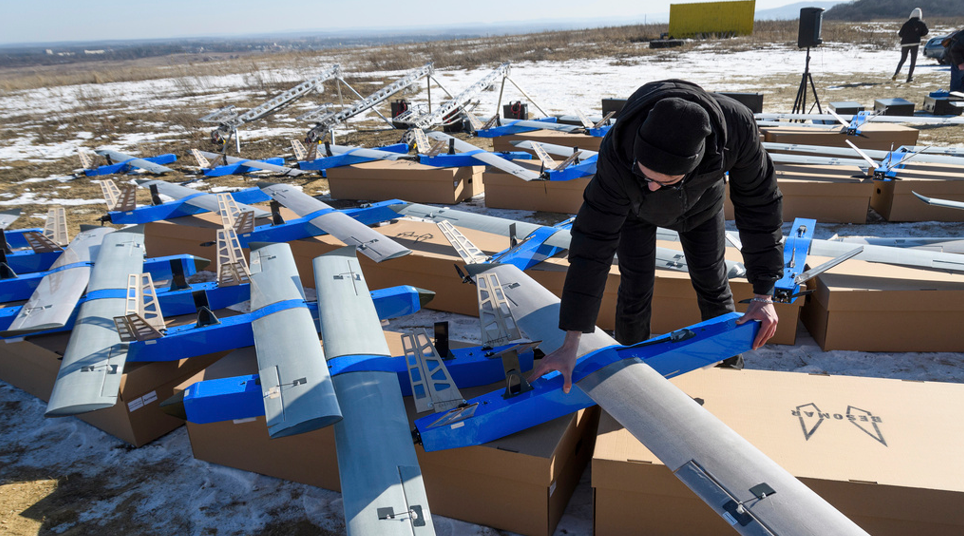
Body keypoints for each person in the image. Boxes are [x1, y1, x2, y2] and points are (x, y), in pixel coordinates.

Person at [528, 80, 783, 393]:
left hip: (702, 206)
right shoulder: (618, 152)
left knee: (713, 283)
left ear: (696, 161)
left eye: (665, 181)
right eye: (645, 174)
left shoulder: (736, 129)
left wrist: (763, 295)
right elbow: (592, 245)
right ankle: (629, 377)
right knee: (635, 287)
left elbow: (760, 206)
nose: (652, 186)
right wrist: (571, 343)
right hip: (635, 211)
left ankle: (729, 373)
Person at [893, 8, 928, 83]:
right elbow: (926, 32)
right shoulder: (921, 23)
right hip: (915, 43)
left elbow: (900, 34)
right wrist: (918, 34)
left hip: (905, 43)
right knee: (913, 61)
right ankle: (909, 77)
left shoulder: (906, 23)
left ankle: (895, 74)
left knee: (903, 59)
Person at [945, 29, 964, 93]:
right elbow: (954, 50)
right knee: (956, 87)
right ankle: (954, 97)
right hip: (958, 62)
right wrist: (960, 63)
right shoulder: (962, 38)